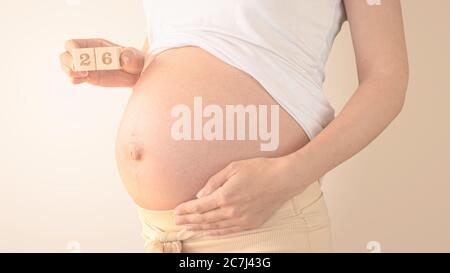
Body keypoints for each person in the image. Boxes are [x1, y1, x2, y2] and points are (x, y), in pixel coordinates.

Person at [59, 0, 408, 253]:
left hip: (260, 228)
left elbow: (387, 80)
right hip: (159, 233)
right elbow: (195, 41)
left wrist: (291, 174)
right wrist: (134, 64)